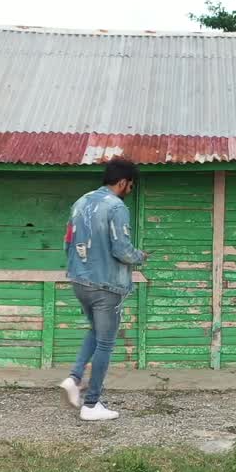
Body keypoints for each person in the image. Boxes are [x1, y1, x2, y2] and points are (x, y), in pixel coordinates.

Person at [58, 157, 147, 421]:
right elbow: (121, 250)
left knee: (95, 332)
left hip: (79, 280)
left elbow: (68, 243)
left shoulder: (81, 202)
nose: (129, 192)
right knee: (106, 343)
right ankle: (91, 404)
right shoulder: (116, 207)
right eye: (130, 186)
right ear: (122, 182)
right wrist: (140, 256)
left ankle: (74, 378)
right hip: (106, 284)